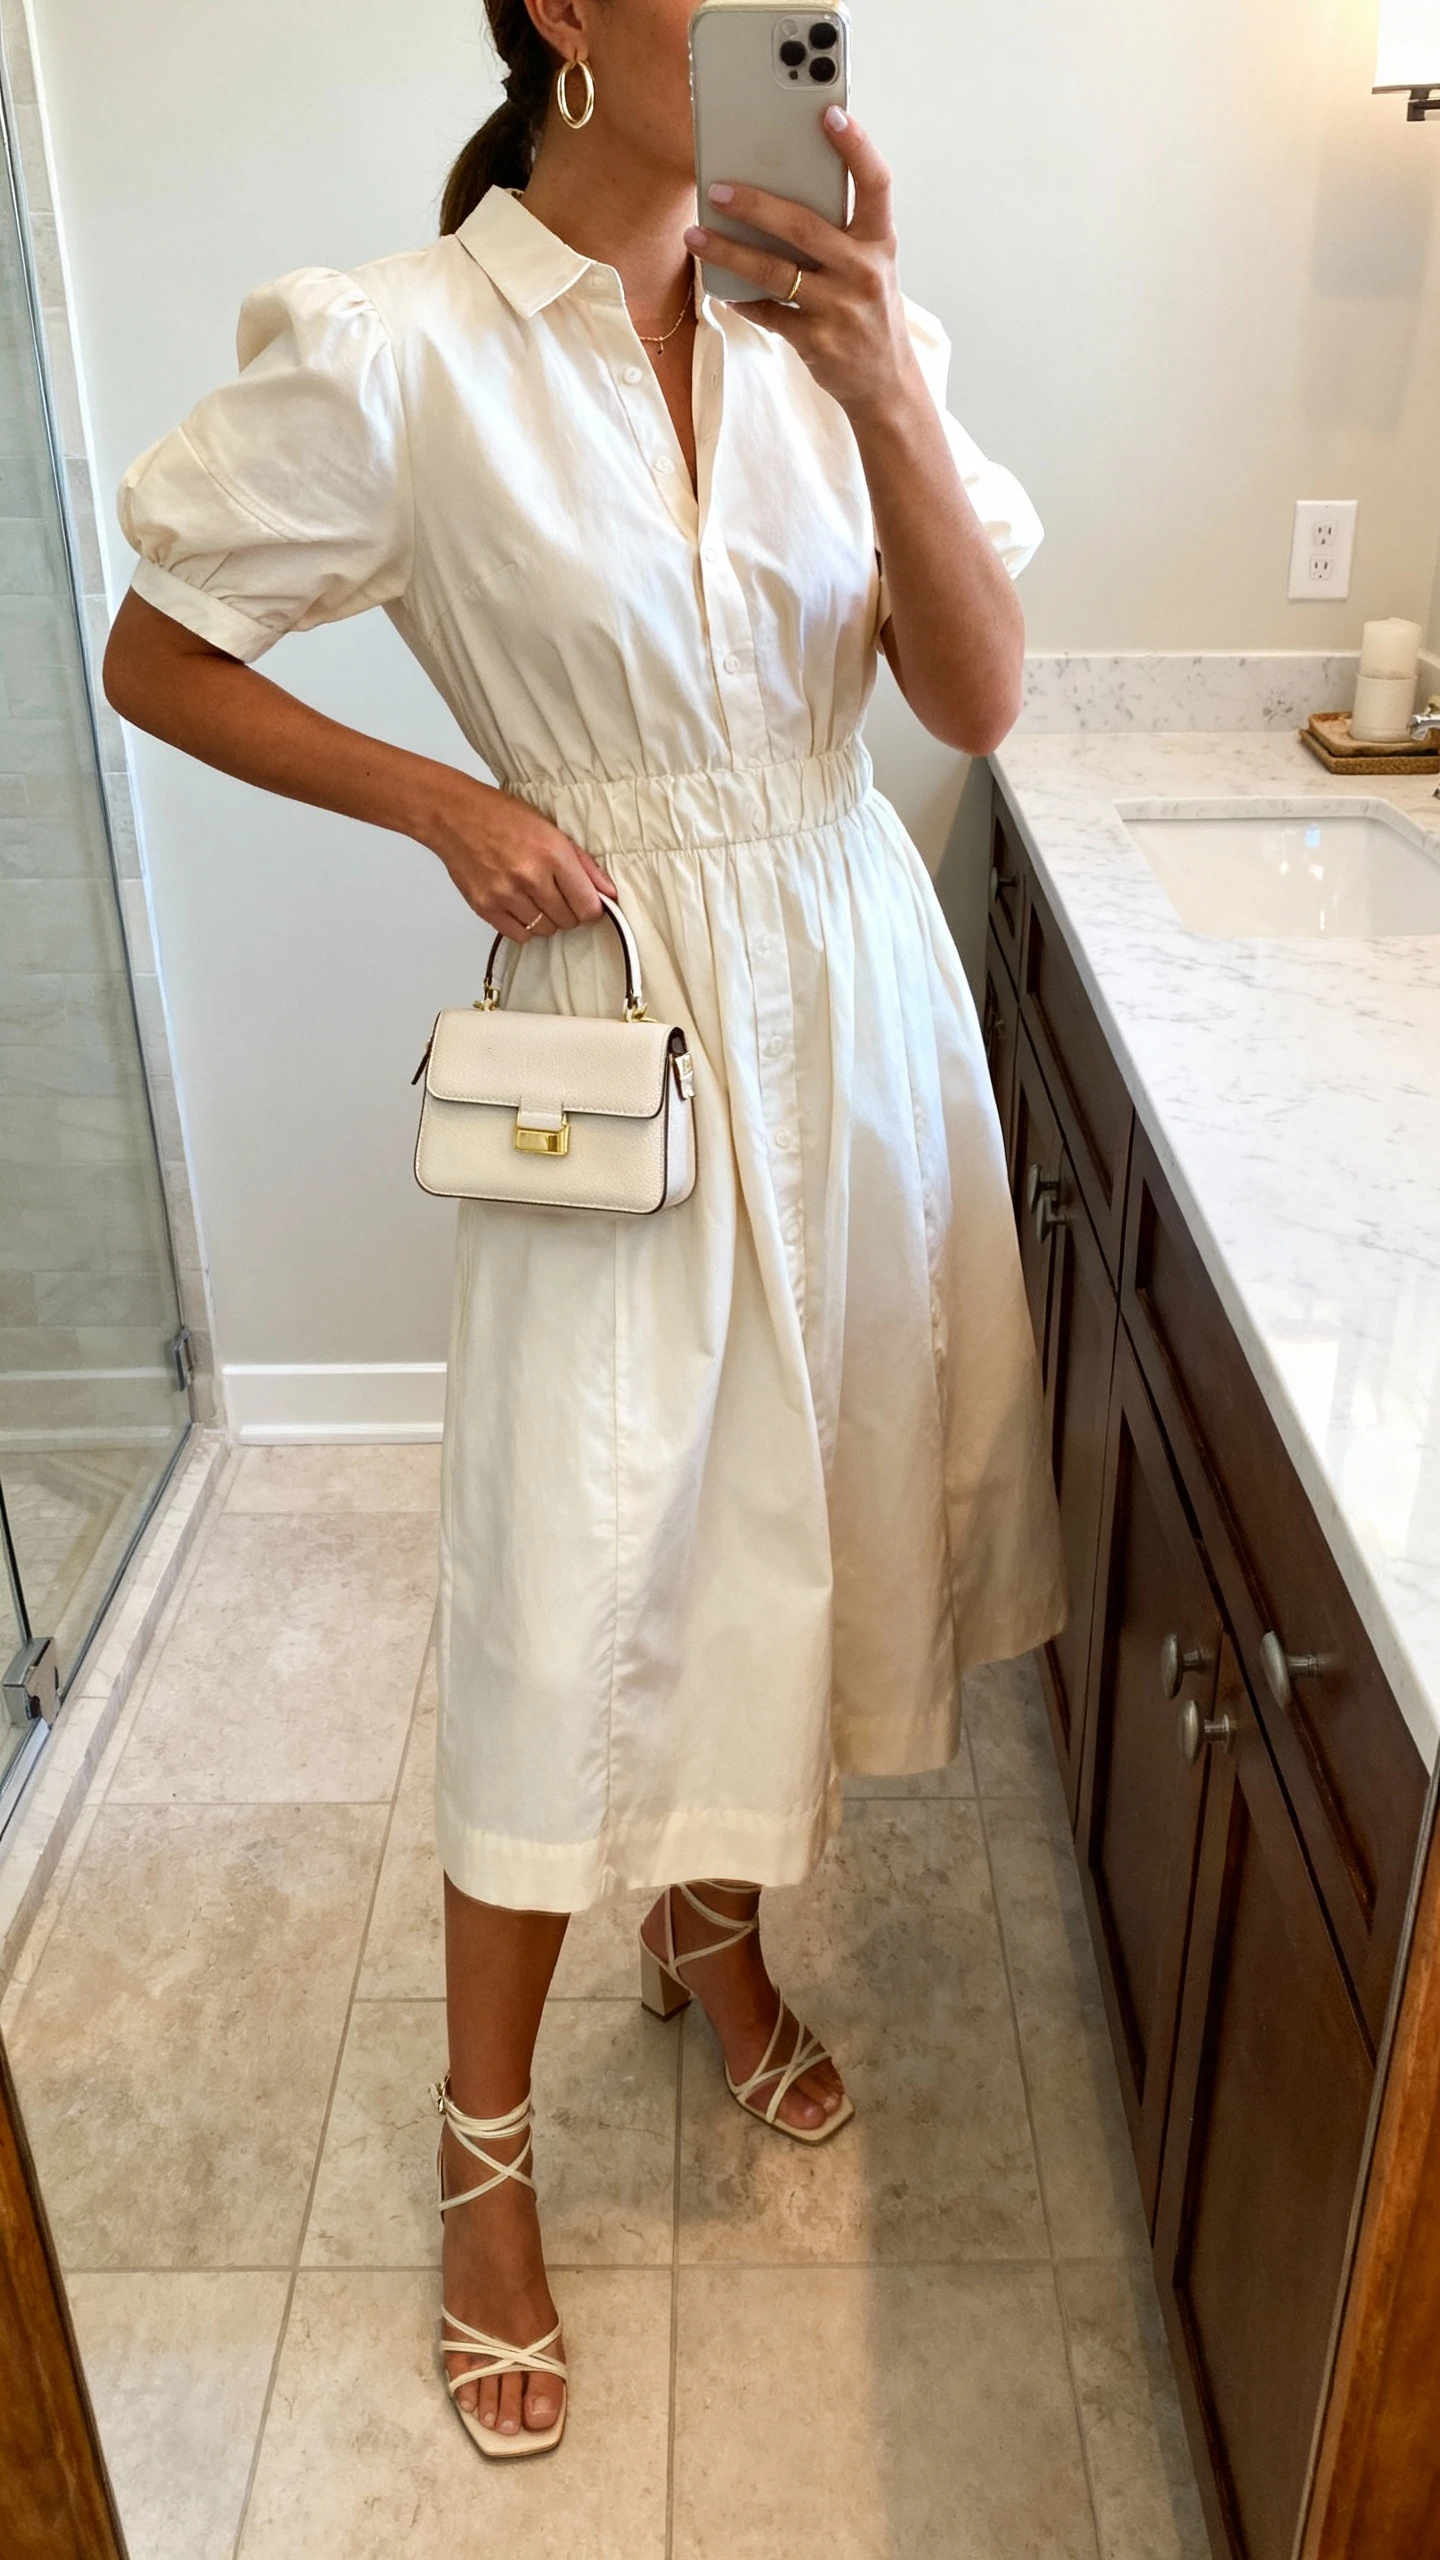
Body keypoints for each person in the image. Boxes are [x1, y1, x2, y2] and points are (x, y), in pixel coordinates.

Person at [104, 0, 1066, 2463]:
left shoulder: (848, 330)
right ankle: (482, 2142)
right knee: (568, 1574)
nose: (781, 33)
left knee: (814, 1517)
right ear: (554, 12)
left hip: (852, 992)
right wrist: (436, 799)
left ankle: (713, 1928)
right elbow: (161, 650)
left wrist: (882, 385)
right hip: (612, 1026)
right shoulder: (404, 351)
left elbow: (970, 691)